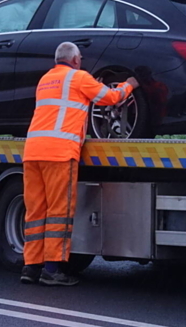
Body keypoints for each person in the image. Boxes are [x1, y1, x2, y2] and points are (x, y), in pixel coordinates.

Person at [20, 42, 139, 286]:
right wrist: (130, 84)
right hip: (59, 153)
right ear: (75, 60)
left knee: (35, 212)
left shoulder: (46, 79)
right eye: (80, 58)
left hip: (33, 152)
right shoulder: (79, 77)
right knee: (58, 213)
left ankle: (30, 267)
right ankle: (52, 271)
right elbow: (110, 97)